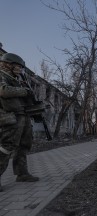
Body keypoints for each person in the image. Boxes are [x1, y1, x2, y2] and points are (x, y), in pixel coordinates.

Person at [0, 52, 39, 191]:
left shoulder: (17, 79)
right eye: (18, 66)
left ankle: (22, 174)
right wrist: (24, 91)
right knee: (7, 146)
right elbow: (3, 91)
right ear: (8, 64)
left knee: (24, 145)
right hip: (10, 116)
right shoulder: (2, 75)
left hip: (23, 115)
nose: (20, 69)